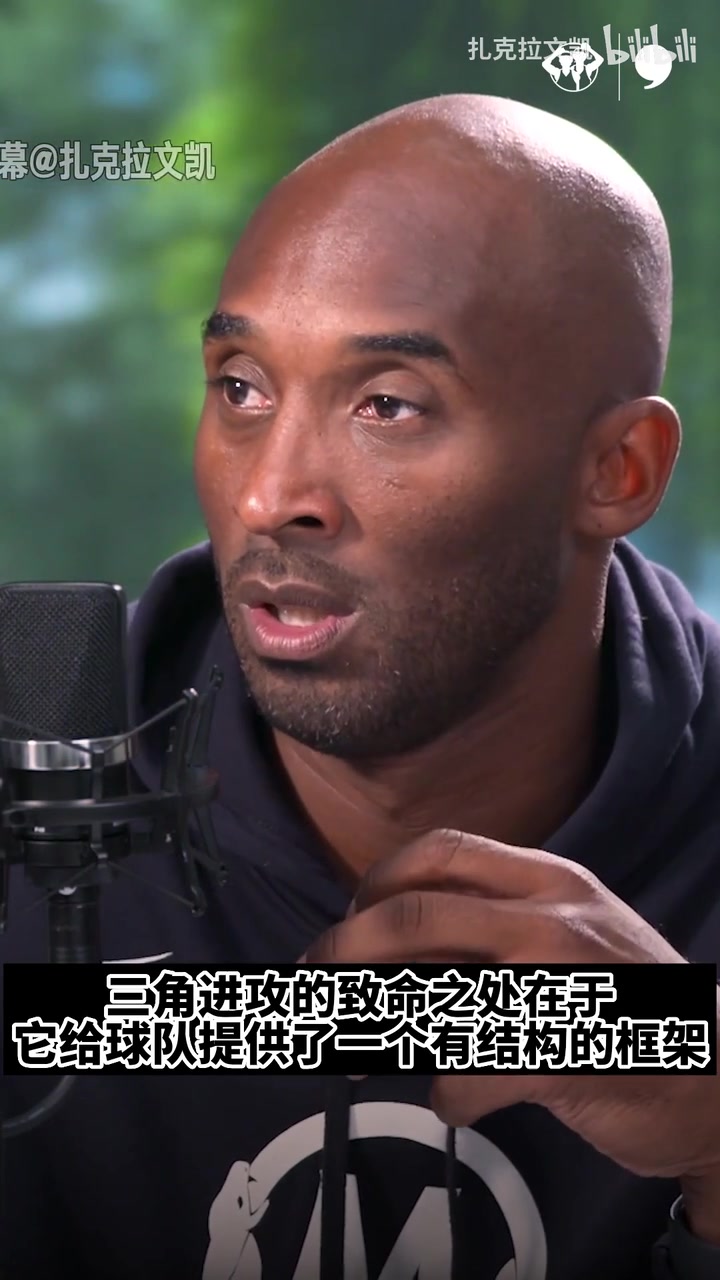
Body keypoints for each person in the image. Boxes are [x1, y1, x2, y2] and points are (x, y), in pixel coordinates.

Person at [2, 92, 719, 1280]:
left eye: (388, 403)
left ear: (618, 470)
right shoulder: (37, 774)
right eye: (242, 385)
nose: (269, 494)